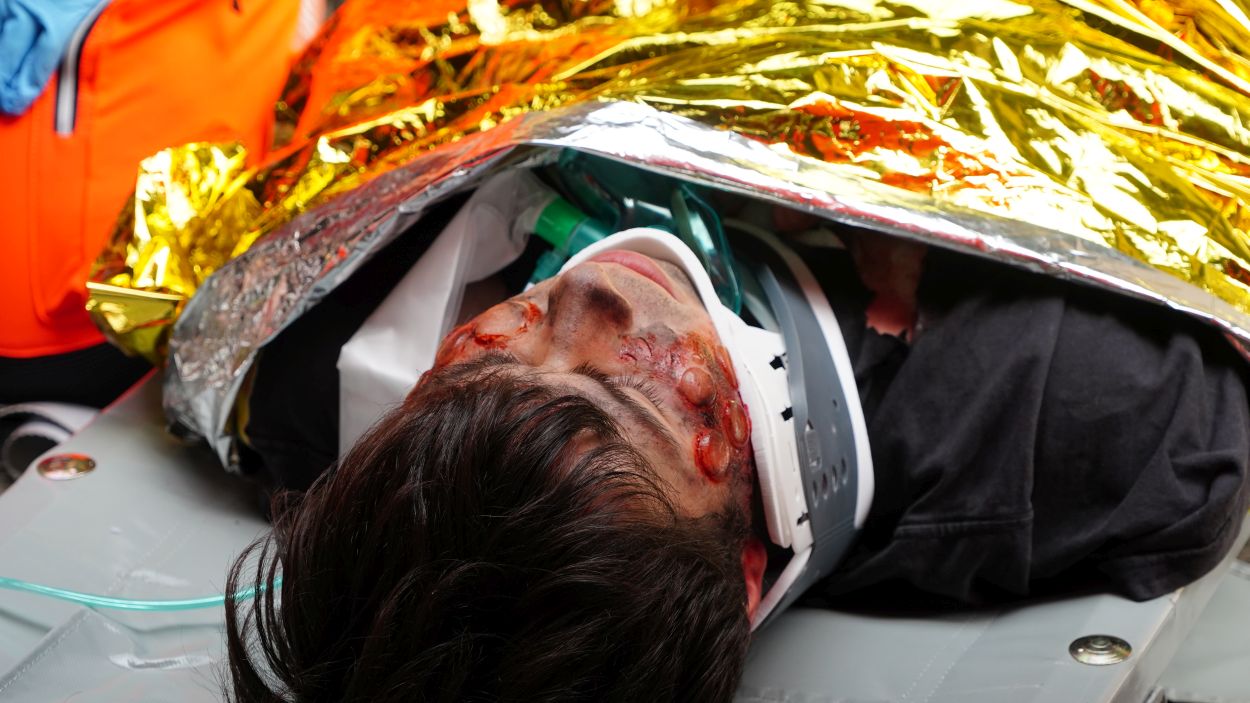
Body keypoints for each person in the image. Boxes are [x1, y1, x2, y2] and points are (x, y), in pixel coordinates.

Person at [223, 200, 1250, 702]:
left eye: (484, 349)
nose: (583, 294)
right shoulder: (1072, 406)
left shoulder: (304, 357)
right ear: (747, 567)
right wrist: (942, 211)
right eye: (631, 391)